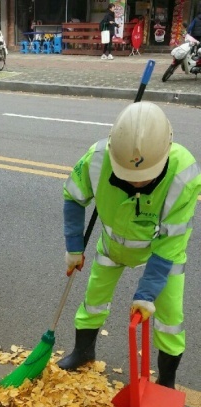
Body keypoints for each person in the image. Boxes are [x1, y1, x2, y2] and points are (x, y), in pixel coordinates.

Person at [57, 102, 201, 389]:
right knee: (94, 298)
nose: (136, 184)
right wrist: (74, 247)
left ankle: (166, 383)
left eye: (143, 178)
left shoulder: (184, 174)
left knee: (170, 318)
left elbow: (171, 241)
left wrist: (146, 293)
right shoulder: (97, 158)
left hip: (161, 253)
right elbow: (73, 197)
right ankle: (83, 351)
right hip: (113, 245)